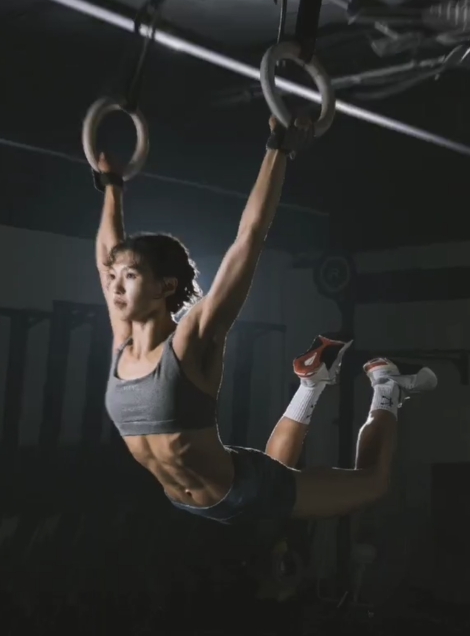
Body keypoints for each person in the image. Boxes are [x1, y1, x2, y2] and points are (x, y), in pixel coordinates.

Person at [95, 117, 437, 524]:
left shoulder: (190, 338)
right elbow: (107, 257)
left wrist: (278, 148)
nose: (114, 285)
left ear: (164, 287)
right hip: (200, 500)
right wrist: (111, 186)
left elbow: (250, 237)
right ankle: (311, 384)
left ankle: (387, 387)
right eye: (114, 276)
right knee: (275, 467)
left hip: (244, 494)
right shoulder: (123, 343)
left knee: (373, 483)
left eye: (130, 276)